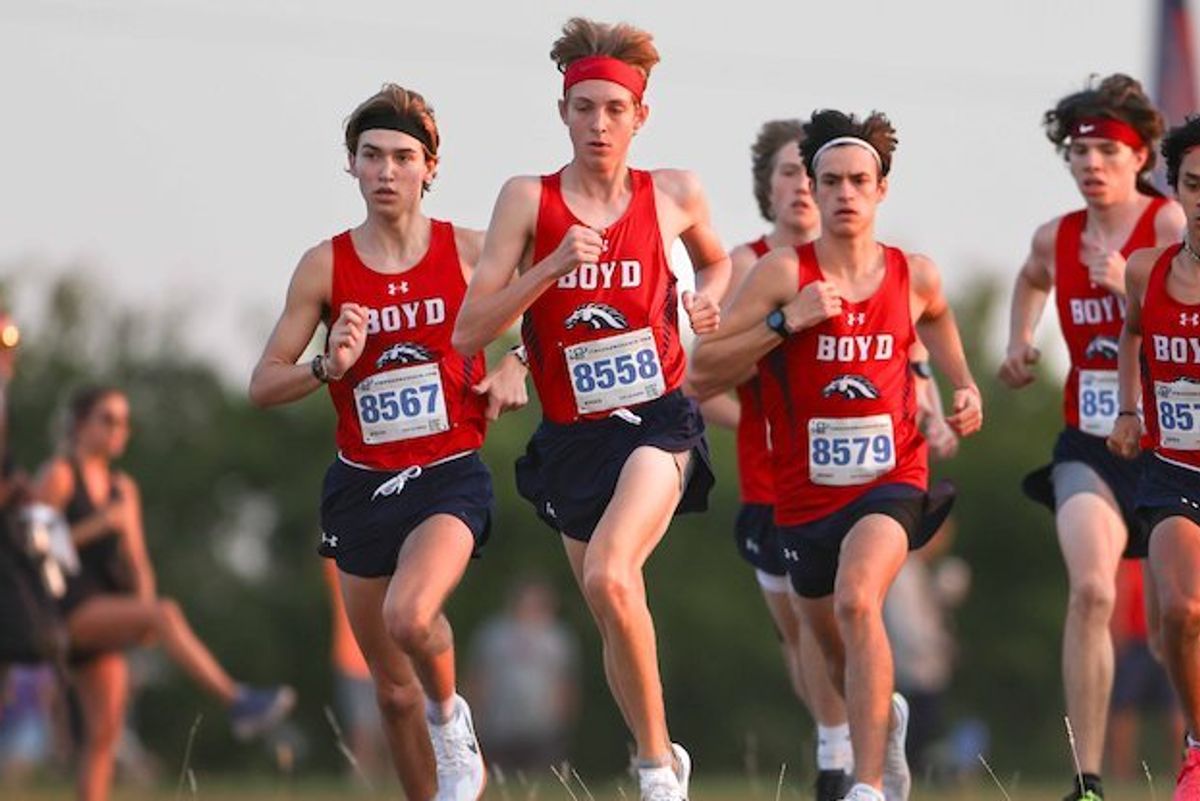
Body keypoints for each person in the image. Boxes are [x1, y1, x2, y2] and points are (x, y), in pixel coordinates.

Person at [452, 17, 730, 801]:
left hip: (658, 421)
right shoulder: (527, 200)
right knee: (613, 606)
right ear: (563, 113)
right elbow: (469, 330)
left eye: (614, 109)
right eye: (584, 108)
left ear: (641, 116)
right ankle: (660, 752)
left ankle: (655, 772)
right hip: (572, 437)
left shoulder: (673, 192)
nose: (599, 124)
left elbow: (717, 263)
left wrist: (706, 300)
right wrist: (548, 266)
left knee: (611, 572)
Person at [689, 108, 983, 801]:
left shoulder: (913, 273)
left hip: (891, 478)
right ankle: (881, 722)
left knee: (858, 599)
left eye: (858, 180)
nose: (845, 193)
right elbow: (702, 372)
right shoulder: (782, 274)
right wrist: (784, 321)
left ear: (881, 190)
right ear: (813, 192)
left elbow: (938, 316)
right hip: (802, 493)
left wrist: (963, 383)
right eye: (831, 181)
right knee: (824, 643)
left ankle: (867, 785)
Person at [249, 83, 528, 801]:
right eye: (371, 155)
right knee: (392, 693)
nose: (386, 171)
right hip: (361, 483)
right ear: (351, 164)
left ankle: (451, 717)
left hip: (448, 474)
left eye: (403, 157)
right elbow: (264, 383)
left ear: (431, 167)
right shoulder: (325, 266)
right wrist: (326, 366)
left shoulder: (468, 251)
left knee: (411, 615)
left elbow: (559, 298)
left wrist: (518, 364)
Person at [998, 73, 1184, 801]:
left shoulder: (1168, 225)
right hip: (1091, 446)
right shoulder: (1058, 236)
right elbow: (1030, 276)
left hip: (1170, 448)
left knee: (1174, 623)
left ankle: (1192, 753)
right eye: (1080, 152)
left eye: (1108, 150)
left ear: (1139, 157)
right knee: (1092, 590)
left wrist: (1126, 287)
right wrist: (1019, 342)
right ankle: (1088, 780)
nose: (1092, 164)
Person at [32, 386, 294, 801]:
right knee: (165, 612)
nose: (118, 430)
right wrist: (100, 526)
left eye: (124, 423)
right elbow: (32, 546)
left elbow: (138, 561)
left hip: (108, 609)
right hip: (66, 608)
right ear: (80, 424)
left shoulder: (123, 488)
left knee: (104, 733)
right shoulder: (60, 475)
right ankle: (237, 700)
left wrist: (143, 615)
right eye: (108, 419)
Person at [702, 118, 853, 801]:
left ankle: (841, 754)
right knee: (797, 631)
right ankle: (855, 726)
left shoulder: (857, 261)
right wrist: (771, 423)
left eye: (809, 173)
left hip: (850, 478)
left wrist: (934, 405)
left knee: (841, 613)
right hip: (771, 479)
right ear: (768, 186)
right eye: (787, 173)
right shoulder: (744, 265)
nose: (801, 187)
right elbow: (701, 380)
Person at [1108, 112, 1200, 801]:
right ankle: (1198, 746)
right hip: (1174, 472)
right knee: (1181, 613)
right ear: (1177, 190)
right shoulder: (1146, 270)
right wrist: (1129, 409)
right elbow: (1133, 334)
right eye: (1195, 184)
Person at [466, 577, 579, 775]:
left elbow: (566, 683)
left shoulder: (557, 640)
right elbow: (478, 678)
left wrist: (563, 720)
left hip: (543, 727)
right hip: (498, 725)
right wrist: (475, 716)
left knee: (539, 779)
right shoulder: (493, 635)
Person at [1106, 560, 1182, 782]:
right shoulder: (1132, 558)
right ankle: (1123, 774)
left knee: (1177, 708)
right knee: (1125, 708)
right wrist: (1117, 636)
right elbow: (1121, 591)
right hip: (1136, 640)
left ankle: (1182, 770)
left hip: (1166, 636)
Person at [323, 560, 388, 784]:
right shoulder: (345, 561)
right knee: (365, 727)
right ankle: (363, 777)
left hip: (368, 654)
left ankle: (369, 777)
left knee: (372, 725)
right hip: (357, 657)